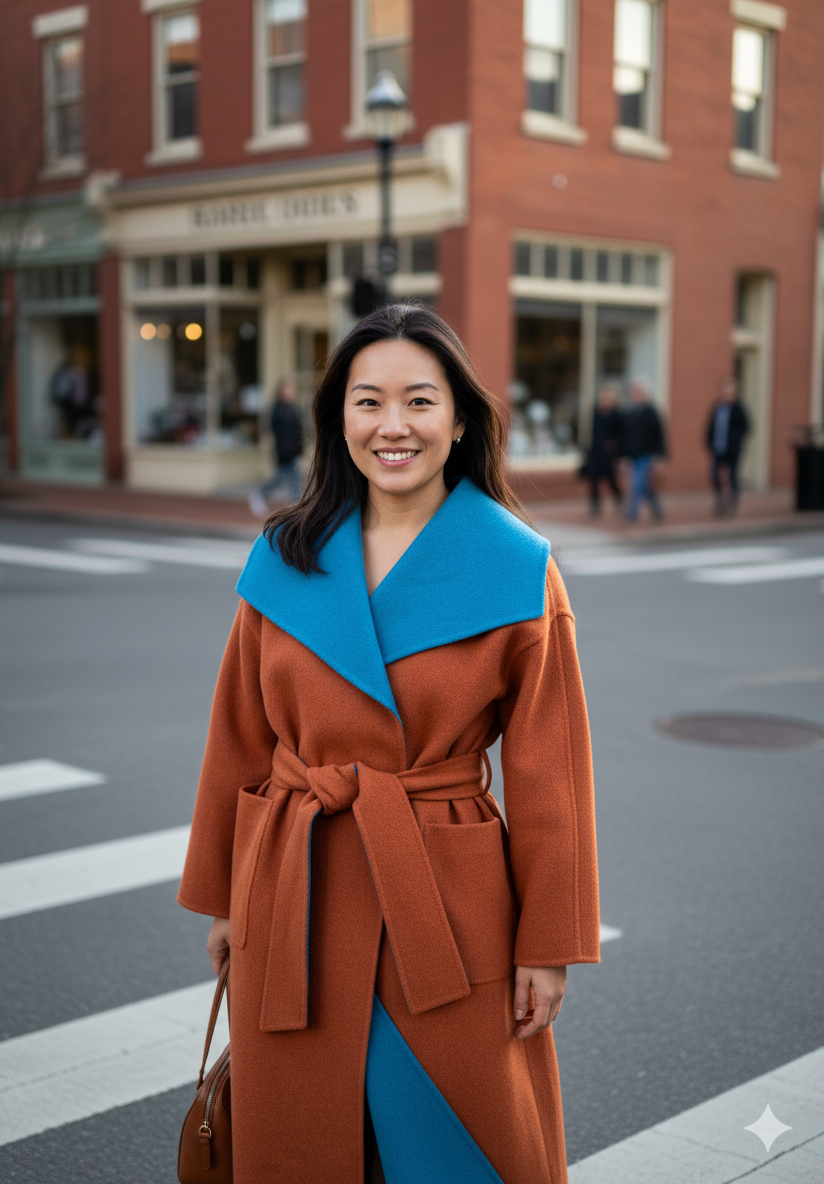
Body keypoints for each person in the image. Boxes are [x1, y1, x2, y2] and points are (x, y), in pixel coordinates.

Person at [178, 305, 600, 1184]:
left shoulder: (517, 567)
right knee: (301, 1142)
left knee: (455, 1144)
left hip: (444, 906)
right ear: (340, 418)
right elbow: (238, 739)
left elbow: (551, 779)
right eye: (368, 401)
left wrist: (547, 945)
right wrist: (224, 896)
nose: (393, 426)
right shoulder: (284, 555)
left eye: (419, 401)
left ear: (460, 419)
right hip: (292, 892)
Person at [249, 378, 303, 515]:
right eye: (287, 390)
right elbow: (274, 430)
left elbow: (298, 429)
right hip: (284, 451)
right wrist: (283, 446)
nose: (290, 393)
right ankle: (294, 506)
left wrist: (299, 446)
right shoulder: (277, 410)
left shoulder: (293, 409)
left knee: (288, 477)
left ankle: (295, 505)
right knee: (287, 477)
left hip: (293, 450)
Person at [622, 377, 666, 523]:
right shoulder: (630, 413)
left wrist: (660, 455)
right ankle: (656, 507)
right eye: (634, 392)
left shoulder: (651, 412)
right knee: (642, 485)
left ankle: (632, 514)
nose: (636, 395)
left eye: (639, 392)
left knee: (637, 484)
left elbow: (659, 435)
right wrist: (624, 455)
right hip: (633, 455)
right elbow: (626, 436)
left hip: (646, 454)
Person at [706, 375, 750, 516]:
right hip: (718, 447)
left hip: (733, 449)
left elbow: (746, 426)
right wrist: (709, 442)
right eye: (724, 390)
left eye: (728, 391)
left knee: (732, 476)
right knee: (714, 474)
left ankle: (732, 504)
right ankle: (720, 500)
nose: (725, 393)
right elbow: (710, 426)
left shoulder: (738, 408)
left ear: (733, 393)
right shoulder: (717, 407)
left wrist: (735, 439)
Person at [585, 383, 624, 516]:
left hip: (608, 455)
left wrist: (615, 449)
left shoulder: (616, 415)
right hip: (595, 452)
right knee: (594, 480)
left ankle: (619, 499)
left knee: (611, 479)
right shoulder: (596, 413)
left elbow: (620, 435)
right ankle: (595, 506)